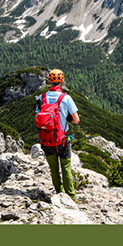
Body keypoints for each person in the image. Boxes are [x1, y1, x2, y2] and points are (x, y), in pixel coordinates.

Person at [36, 69, 80, 200]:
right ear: (62, 82)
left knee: (53, 169)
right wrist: (66, 118)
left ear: (49, 81)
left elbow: (38, 116)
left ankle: (59, 193)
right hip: (62, 140)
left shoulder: (41, 97)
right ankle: (71, 197)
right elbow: (76, 120)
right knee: (66, 168)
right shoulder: (66, 98)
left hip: (46, 139)